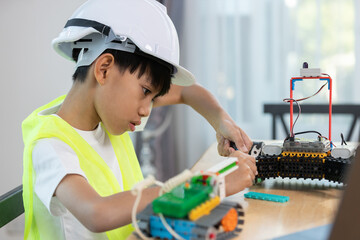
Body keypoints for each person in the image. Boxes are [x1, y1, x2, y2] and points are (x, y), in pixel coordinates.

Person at [22, 0, 257, 239]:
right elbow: (97, 213)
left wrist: (221, 121)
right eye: (146, 91)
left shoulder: (105, 113)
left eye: (153, 97)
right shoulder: (51, 146)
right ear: (104, 69)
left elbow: (188, 91)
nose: (148, 110)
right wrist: (211, 186)